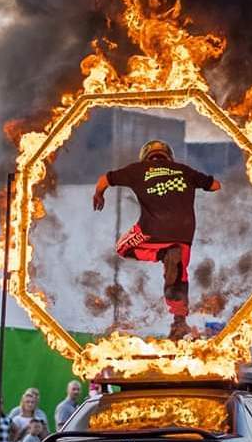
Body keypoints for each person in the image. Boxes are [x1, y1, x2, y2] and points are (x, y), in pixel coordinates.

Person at [93, 140, 222, 339]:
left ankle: (162, 253)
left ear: (146, 156)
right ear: (168, 155)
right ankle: (179, 322)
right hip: (184, 234)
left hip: (152, 230)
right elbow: (215, 185)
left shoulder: (137, 170)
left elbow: (104, 179)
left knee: (122, 248)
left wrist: (99, 194)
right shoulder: (184, 170)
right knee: (179, 276)